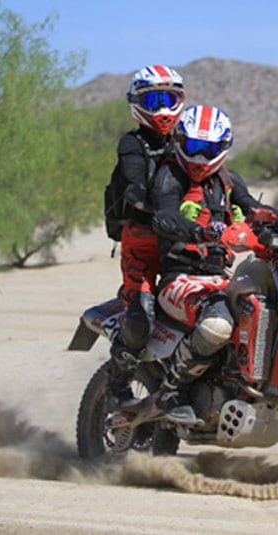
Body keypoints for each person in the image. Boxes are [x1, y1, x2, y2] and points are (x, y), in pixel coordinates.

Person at [151, 104, 278, 424]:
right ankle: (171, 390)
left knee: (264, 307)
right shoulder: (170, 175)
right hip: (179, 278)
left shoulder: (228, 180)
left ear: (222, 148)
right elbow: (164, 216)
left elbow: (252, 207)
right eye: (193, 145)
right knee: (217, 325)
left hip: (219, 278)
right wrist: (200, 231)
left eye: (207, 149)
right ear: (180, 141)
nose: (199, 157)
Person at [106, 65, 186, 405]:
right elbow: (134, 181)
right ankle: (116, 382)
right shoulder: (131, 143)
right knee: (141, 317)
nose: (163, 109)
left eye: (170, 99)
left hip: (181, 242)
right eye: (154, 100)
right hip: (141, 241)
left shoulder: (187, 140)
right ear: (137, 103)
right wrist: (154, 204)